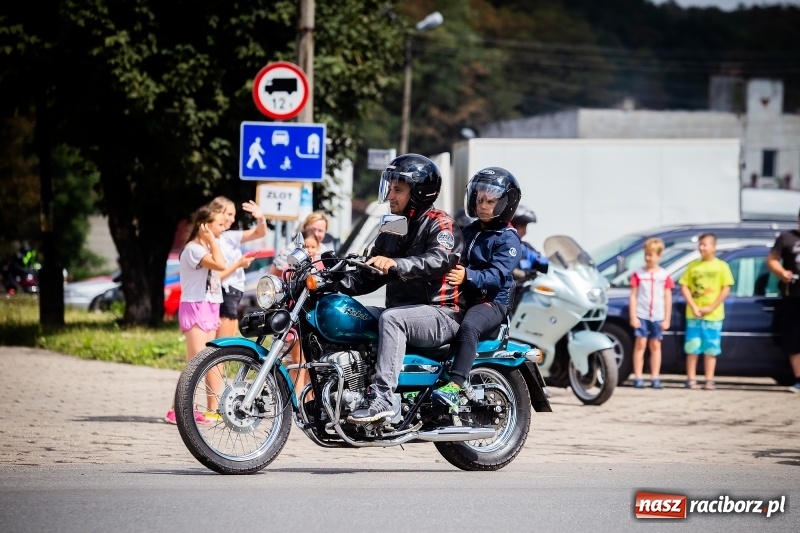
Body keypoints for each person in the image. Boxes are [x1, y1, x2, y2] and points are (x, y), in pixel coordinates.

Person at [336, 153, 465, 425]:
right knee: (347, 314)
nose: (391, 195)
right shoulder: (394, 225)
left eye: (399, 189)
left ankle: (382, 397)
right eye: (390, 188)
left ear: (419, 193)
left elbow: (439, 260)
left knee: (391, 319)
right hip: (403, 312)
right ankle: (344, 392)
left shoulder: (440, 223)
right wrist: (333, 279)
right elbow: (370, 275)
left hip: (440, 314)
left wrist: (396, 264)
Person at [431, 167, 522, 412]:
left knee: (470, 326)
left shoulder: (508, 238)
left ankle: (455, 385)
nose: (483, 205)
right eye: (479, 199)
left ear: (506, 202)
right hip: (464, 297)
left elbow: (497, 276)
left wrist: (466, 275)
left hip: (491, 302)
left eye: (491, 201)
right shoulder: (468, 231)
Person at [165, 205, 228, 424]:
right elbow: (220, 264)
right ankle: (176, 410)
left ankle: (186, 408)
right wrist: (212, 241)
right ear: (204, 226)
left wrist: (212, 242)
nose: (222, 229)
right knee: (194, 361)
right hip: (194, 306)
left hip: (209, 305)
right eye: (218, 225)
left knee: (204, 360)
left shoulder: (205, 249)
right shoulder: (194, 249)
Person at [679, 233, 734, 390]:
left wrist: (711, 307)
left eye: (705, 244)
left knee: (711, 348)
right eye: (700, 245)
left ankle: (709, 379)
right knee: (692, 347)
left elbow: (726, 288)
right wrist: (693, 306)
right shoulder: (693, 266)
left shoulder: (722, 266)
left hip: (714, 316)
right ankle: (691, 379)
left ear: (714, 247)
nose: (702, 248)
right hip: (693, 314)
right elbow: (684, 286)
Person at [269, 228, 320, 395]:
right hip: (296, 319)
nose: (310, 250)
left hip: (313, 319)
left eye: (313, 247)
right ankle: (295, 398)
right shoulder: (290, 268)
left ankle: (310, 398)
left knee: (312, 364)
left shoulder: (319, 267)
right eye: (306, 246)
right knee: (298, 361)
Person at [208, 196, 265, 338]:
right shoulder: (211, 240)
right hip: (225, 291)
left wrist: (260, 218)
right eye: (229, 214)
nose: (233, 219)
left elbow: (260, 232)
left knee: (224, 343)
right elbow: (216, 275)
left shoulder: (228, 236)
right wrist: (238, 264)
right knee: (222, 346)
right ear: (217, 213)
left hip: (232, 291)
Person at [628, 237, 674, 389]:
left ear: (659, 256)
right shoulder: (638, 274)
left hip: (657, 315)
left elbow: (668, 297)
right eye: (646, 254)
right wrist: (633, 316)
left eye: (651, 255)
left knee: (655, 345)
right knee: (640, 344)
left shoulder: (664, 275)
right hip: (642, 314)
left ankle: (655, 377)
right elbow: (633, 296)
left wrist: (667, 318)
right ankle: (638, 376)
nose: (648, 257)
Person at [766, 209, 800, 393]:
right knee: (794, 340)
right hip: (792, 297)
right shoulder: (786, 238)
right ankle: (799, 379)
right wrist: (782, 272)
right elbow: (772, 260)